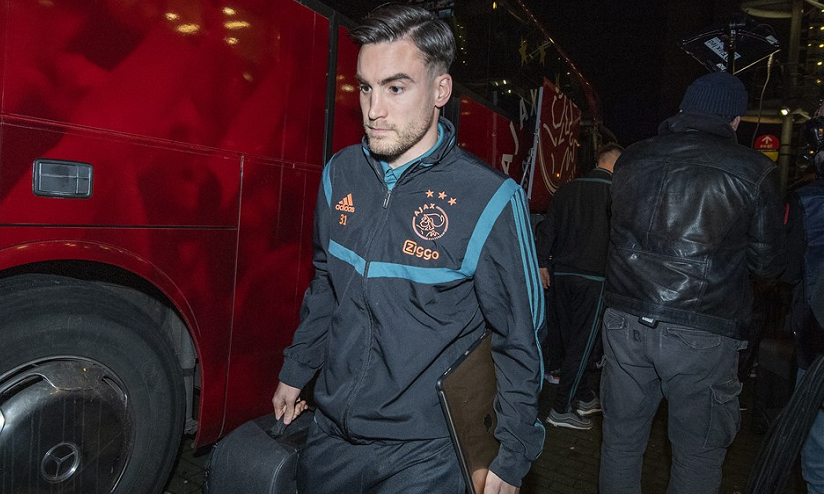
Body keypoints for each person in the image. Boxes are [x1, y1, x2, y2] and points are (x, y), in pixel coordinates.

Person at [270, 5, 546, 493]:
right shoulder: (341, 173)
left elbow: (519, 338)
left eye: (395, 88)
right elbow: (327, 285)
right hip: (331, 437)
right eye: (365, 87)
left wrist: (513, 451)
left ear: (440, 90)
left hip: (426, 455)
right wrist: (296, 370)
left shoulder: (491, 199)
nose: (373, 110)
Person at [599, 71, 785, 494]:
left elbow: (618, 231)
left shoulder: (633, 158)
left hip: (625, 319)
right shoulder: (755, 170)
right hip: (703, 328)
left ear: (683, 109)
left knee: (621, 443)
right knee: (697, 454)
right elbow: (767, 264)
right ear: (734, 120)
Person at [536, 143, 623, 430]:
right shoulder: (617, 194)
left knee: (570, 339)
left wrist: (542, 262)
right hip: (594, 278)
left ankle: (584, 396)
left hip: (561, 275)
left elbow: (547, 227)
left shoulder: (568, 189)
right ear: (617, 165)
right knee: (583, 344)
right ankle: (561, 408)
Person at [781, 110, 824, 494]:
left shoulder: (807, 202)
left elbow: (786, 268)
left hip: (816, 346)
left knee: (816, 461)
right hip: (814, 343)